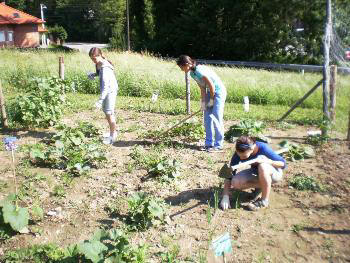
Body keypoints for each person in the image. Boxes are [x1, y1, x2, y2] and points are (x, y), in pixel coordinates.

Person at [220, 136, 286, 211]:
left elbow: (283, 164)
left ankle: (264, 201)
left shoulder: (263, 148)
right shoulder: (238, 154)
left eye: (244, 156)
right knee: (235, 182)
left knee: (263, 166)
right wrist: (225, 196)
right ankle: (261, 187)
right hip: (257, 173)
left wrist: (268, 161)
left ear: (252, 149)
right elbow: (229, 175)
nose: (241, 158)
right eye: (239, 155)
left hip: (274, 174)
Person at [176, 55, 227, 152]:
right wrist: (203, 104)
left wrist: (212, 100)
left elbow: (212, 85)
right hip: (209, 91)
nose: (181, 69)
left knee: (216, 117)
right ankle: (208, 144)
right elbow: (202, 88)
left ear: (187, 64)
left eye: (181, 67)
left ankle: (218, 145)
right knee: (207, 117)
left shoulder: (199, 71)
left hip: (218, 91)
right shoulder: (192, 74)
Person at [88, 47, 118, 145]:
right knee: (106, 112)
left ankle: (112, 137)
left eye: (94, 59)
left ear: (100, 56)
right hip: (106, 90)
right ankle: (112, 132)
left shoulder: (105, 67)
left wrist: (100, 100)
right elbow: (98, 72)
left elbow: (106, 87)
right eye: (91, 59)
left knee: (109, 112)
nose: (93, 61)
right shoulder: (98, 64)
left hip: (110, 90)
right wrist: (93, 75)